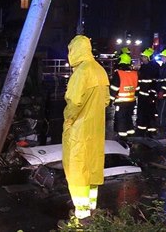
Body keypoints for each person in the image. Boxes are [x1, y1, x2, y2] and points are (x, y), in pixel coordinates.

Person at [57, 35, 110, 230]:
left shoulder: (81, 72)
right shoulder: (99, 69)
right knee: (92, 167)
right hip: (96, 129)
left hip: (79, 129)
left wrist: (68, 120)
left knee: (77, 169)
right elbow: (105, 100)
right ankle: (92, 209)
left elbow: (74, 102)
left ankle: (81, 217)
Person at [109, 53, 138, 138]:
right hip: (131, 102)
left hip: (121, 102)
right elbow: (137, 88)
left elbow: (114, 88)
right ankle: (131, 137)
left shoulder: (119, 74)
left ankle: (122, 139)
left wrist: (110, 100)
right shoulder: (134, 74)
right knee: (129, 119)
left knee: (120, 121)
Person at [136, 48, 160, 137]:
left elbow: (153, 81)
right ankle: (146, 130)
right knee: (146, 112)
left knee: (147, 112)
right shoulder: (148, 66)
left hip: (148, 94)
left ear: (149, 57)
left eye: (144, 57)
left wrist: (151, 93)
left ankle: (147, 131)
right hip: (145, 94)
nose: (142, 58)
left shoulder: (150, 67)